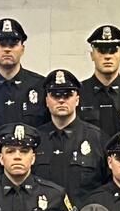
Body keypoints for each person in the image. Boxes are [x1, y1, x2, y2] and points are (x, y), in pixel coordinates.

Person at [36, 69, 106, 200]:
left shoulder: (96, 138)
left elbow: (107, 184)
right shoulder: (36, 139)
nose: (61, 100)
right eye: (56, 95)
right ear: (46, 100)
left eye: (67, 95)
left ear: (77, 100)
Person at [0, 17, 48, 128]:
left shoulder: (40, 85)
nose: (7, 49)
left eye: (13, 44)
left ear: (22, 49)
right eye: (1, 44)